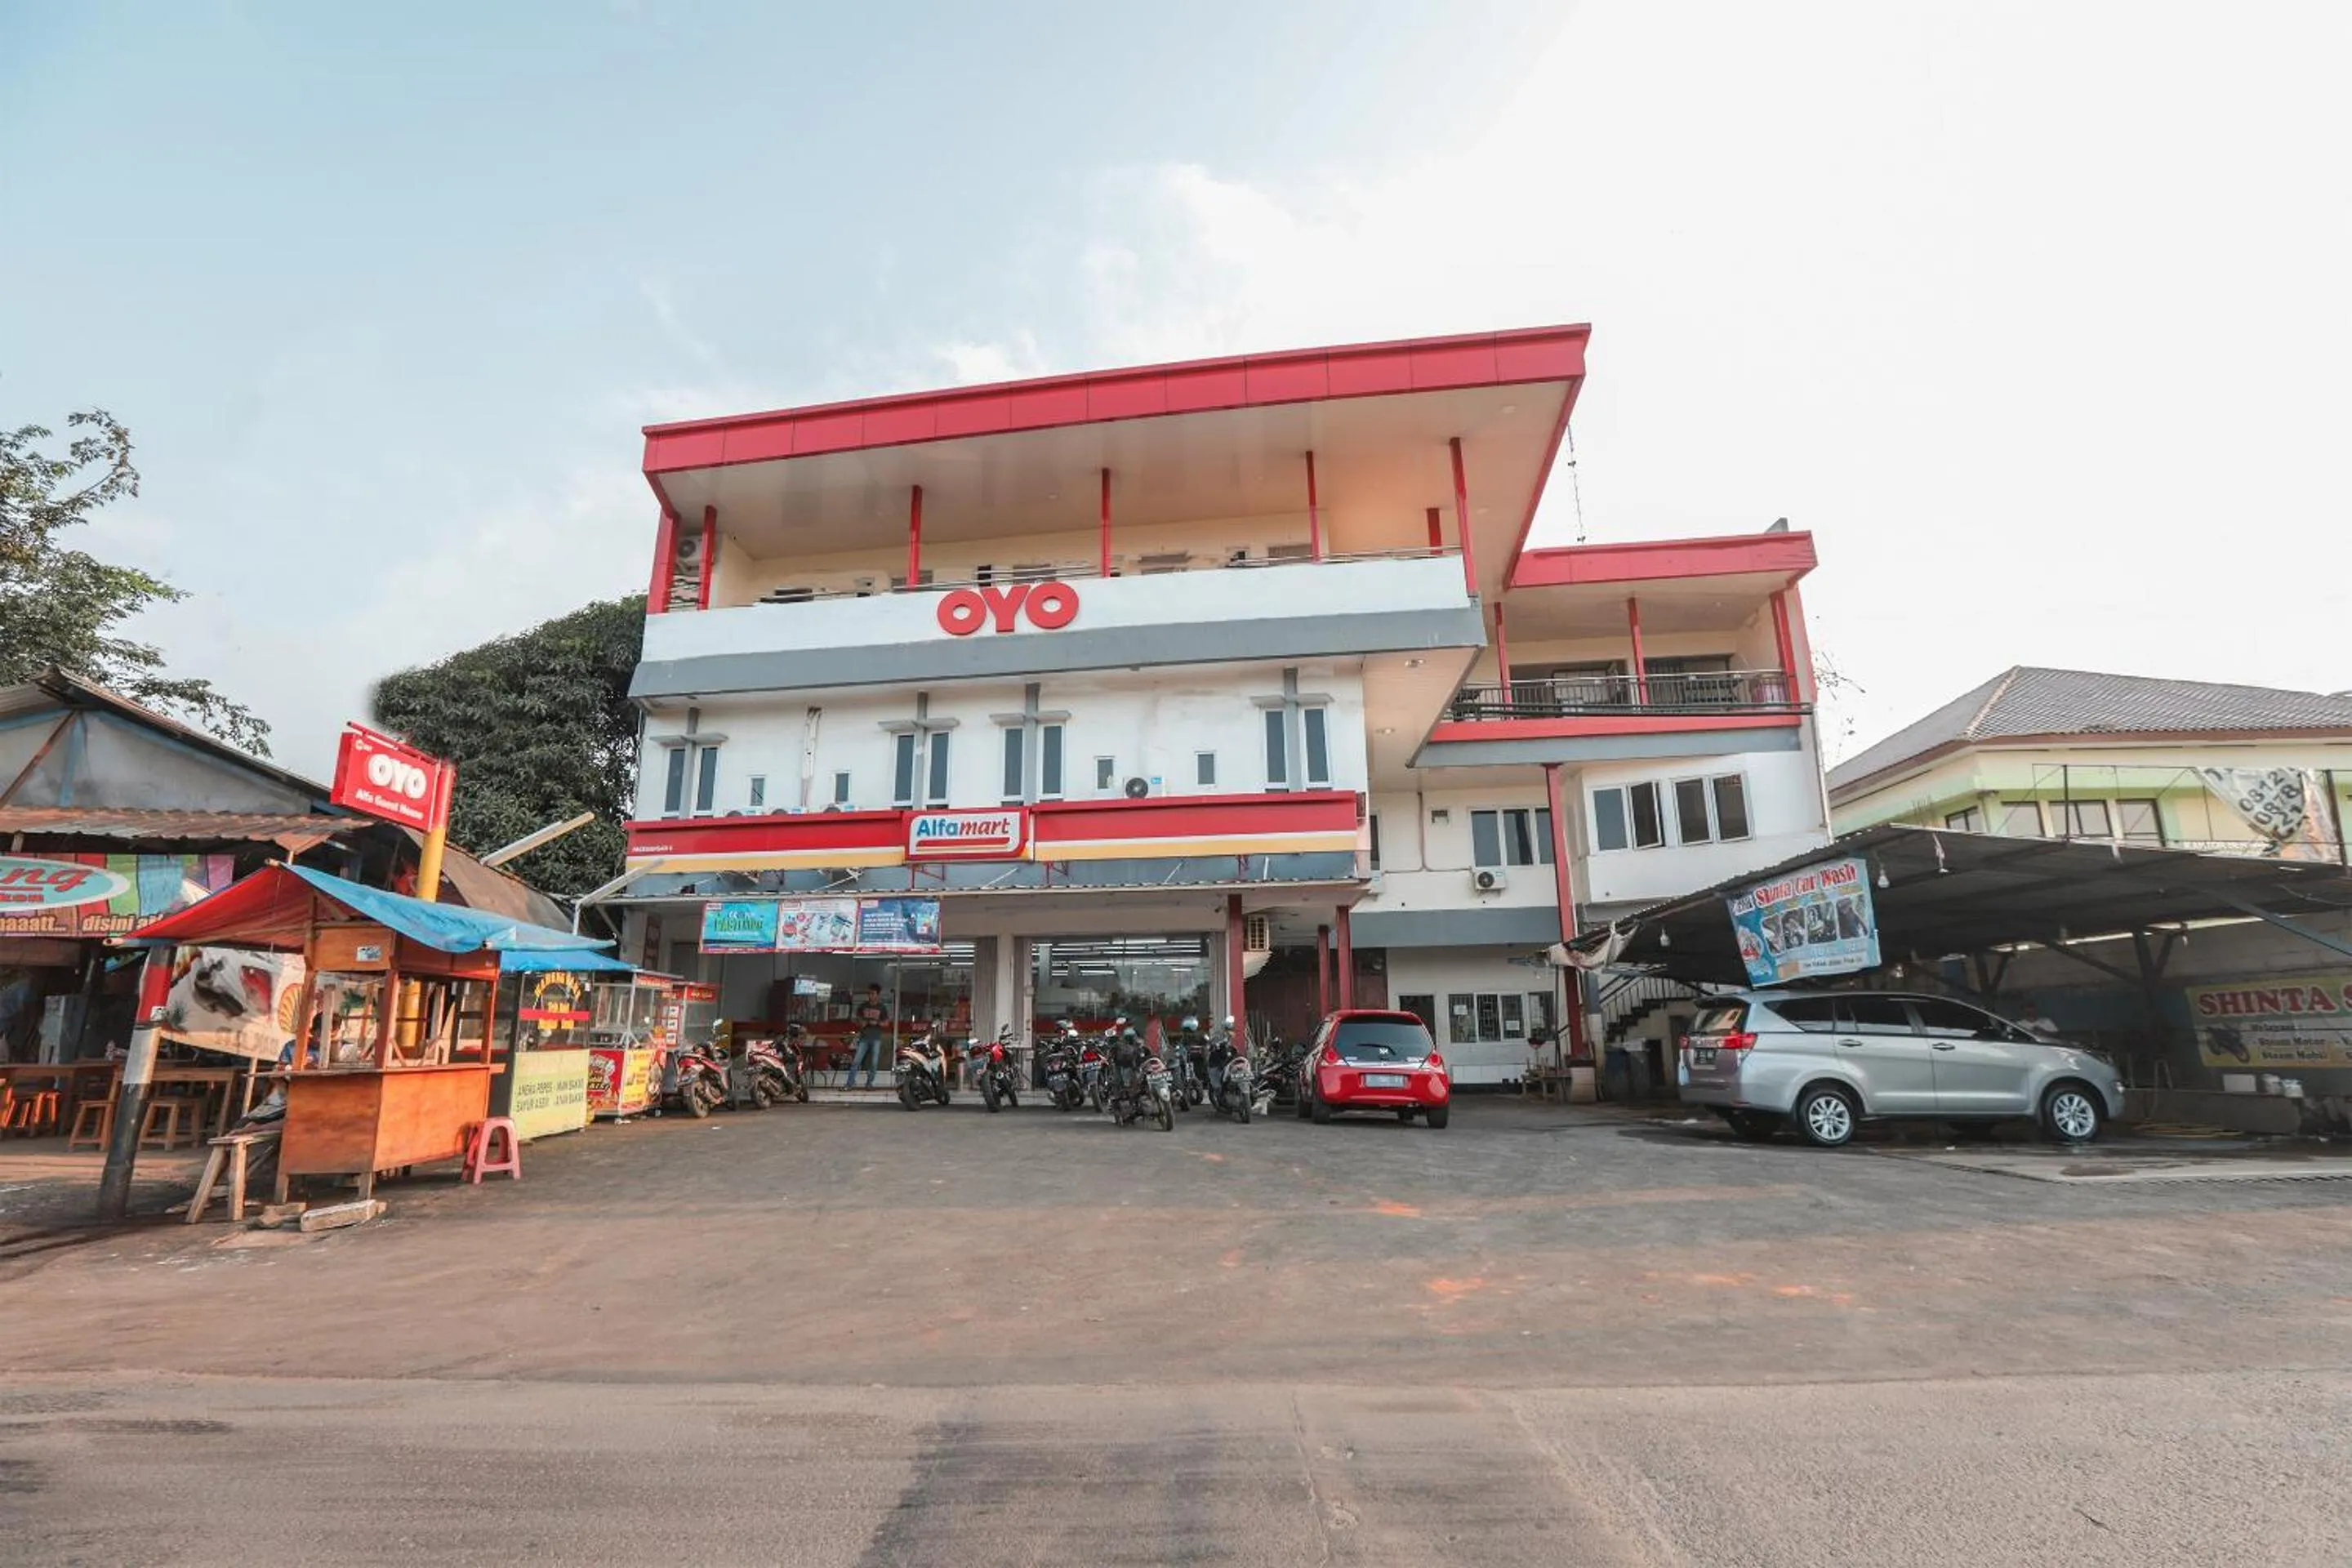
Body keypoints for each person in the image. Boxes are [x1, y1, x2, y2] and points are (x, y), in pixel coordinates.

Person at [844, 983, 890, 1090]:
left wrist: (877, 1023)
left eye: (873, 994)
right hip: (864, 1038)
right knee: (856, 1061)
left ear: (877, 995)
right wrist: (863, 1023)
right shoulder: (863, 1006)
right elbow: (857, 1019)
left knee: (874, 1063)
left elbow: (886, 1023)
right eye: (869, 994)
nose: (870, 996)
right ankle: (849, 1084)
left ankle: (869, 1083)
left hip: (876, 1038)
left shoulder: (881, 1007)